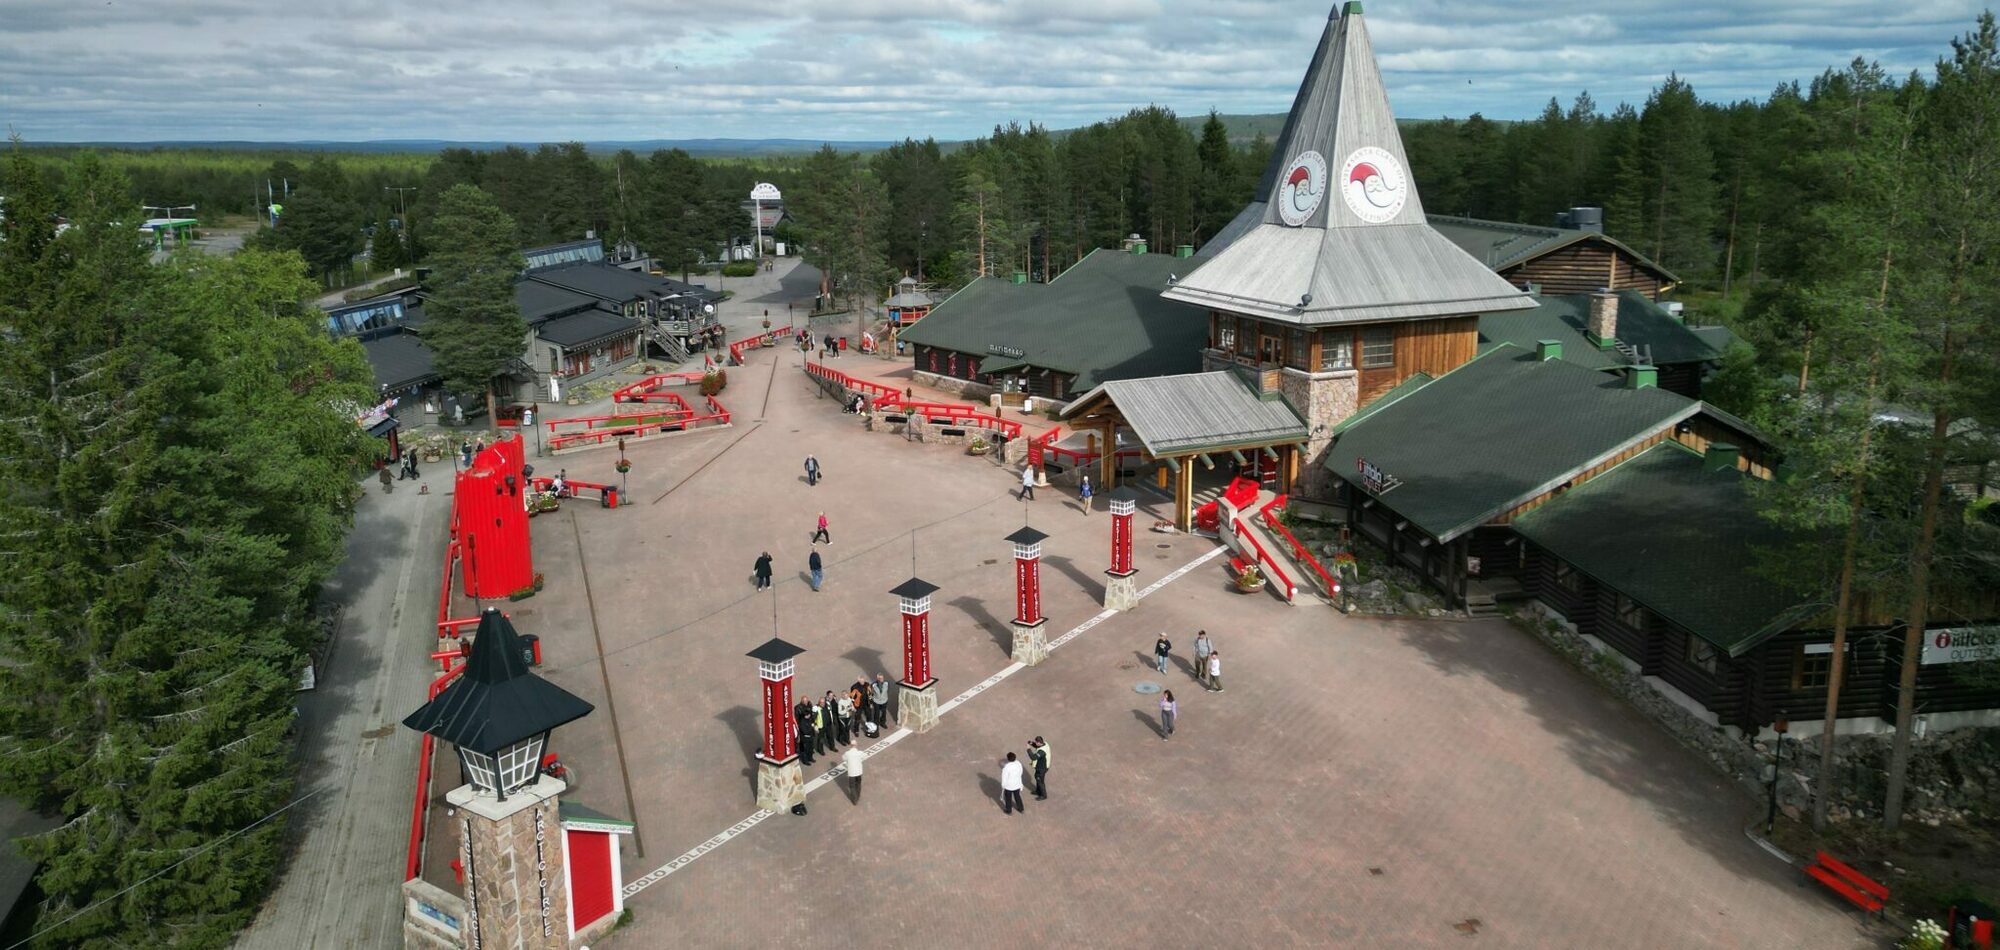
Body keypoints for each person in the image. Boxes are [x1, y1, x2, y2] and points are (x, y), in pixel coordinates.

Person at [795, 700, 817, 766]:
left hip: (810, 737)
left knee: (811, 748)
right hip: (805, 738)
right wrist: (811, 727)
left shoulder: (809, 719)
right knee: (805, 750)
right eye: (808, 715)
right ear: (805, 715)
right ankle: (805, 760)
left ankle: (810, 758)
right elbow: (805, 731)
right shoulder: (802, 722)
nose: (809, 716)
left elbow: (813, 721)